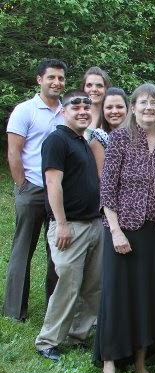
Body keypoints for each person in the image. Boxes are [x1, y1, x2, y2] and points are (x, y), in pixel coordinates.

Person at [95, 83, 155, 373]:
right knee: (117, 295)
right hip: (124, 230)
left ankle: (140, 360)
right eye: (143, 102)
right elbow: (107, 188)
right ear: (133, 108)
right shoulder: (120, 139)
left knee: (149, 296)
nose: (149, 108)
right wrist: (115, 231)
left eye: (154, 103)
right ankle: (109, 363)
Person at [34, 91, 102, 362]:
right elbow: (53, 183)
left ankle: (78, 335)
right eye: (76, 107)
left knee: (92, 287)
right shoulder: (57, 140)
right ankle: (48, 341)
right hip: (70, 226)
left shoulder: (82, 141)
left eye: (87, 107)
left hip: (94, 223)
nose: (83, 111)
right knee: (68, 287)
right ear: (64, 111)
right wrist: (60, 224)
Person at [4, 58, 66, 322]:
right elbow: (13, 152)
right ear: (39, 79)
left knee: (57, 252)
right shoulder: (25, 110)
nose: (56, 82)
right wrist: (22, 185)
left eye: (61, 78)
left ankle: (54, 307)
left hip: (59, 192)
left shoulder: (67, 111)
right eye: (51, 77)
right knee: (23, 249)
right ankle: (14, 310)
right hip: (31, 189)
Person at [89, 87, 128, 177]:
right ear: (103, 110)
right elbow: (102, 177)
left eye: (119, 107)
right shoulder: (99, 139)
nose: (114, 111)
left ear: (127, 109)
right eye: (109, 107)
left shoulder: (138, 135)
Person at [80, 66, 111, 138]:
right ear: (83, 88)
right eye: (89, 85)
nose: (94, 89)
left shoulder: (113, 118)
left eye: (99, 86)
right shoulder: (75, 118)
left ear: (106, 89)